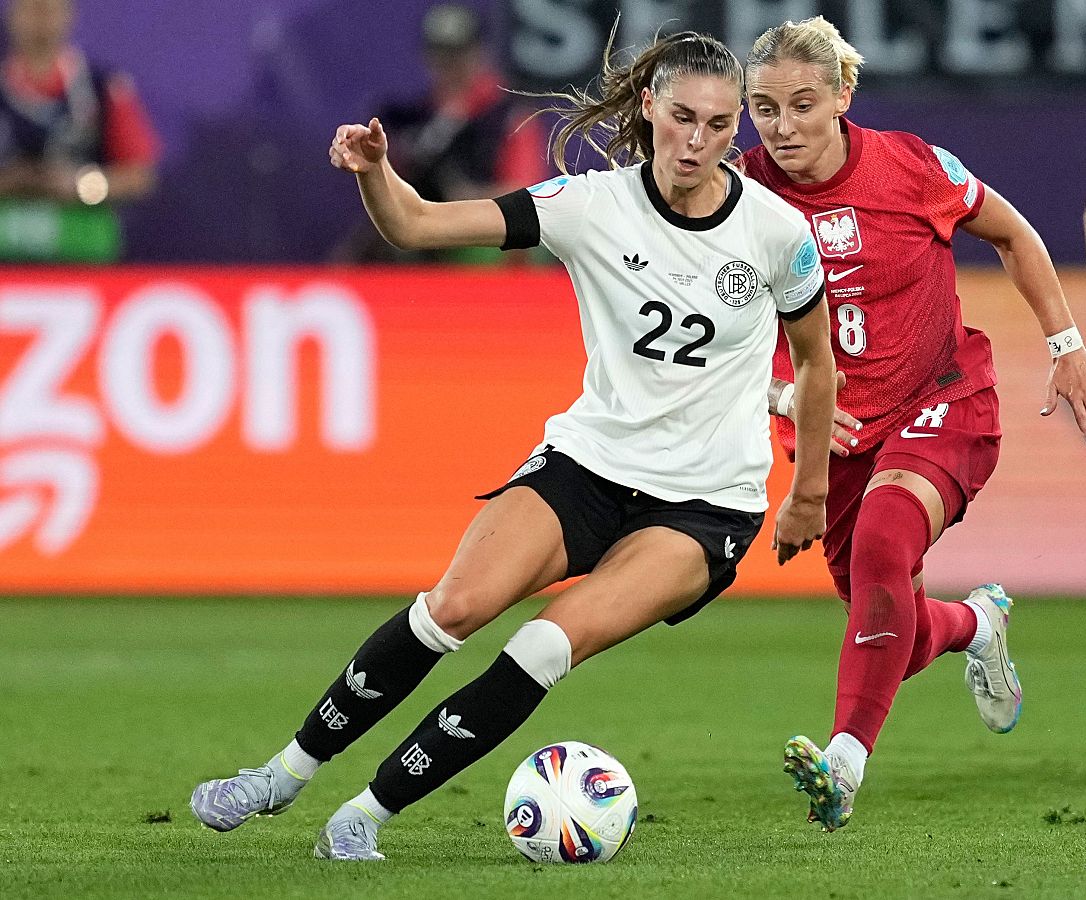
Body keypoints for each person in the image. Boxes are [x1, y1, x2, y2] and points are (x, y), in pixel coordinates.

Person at [189, 31, 837, 861]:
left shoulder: (777, 235)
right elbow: (418, 225)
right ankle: (281, 773)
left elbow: (817, 361)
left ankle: (364, 817)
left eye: (718, 126)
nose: (697, 142)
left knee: (544, 643)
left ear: (734, 129)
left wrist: (807, 491)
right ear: (650, 110)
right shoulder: (589, 205)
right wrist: (377, 172)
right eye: (682, 118)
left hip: (708, 504)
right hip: (590, 465)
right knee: (452, 607)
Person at [742, 17, 1086, 830]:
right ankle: (977, 623)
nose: (782, 128)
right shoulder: (741, 197)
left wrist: (1067, 345)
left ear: (843, 96)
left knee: (885, 543)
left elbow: (1014, 235)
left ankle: (843, 764)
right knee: (889, 621)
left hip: (943, 397)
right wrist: (786, 401)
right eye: (764, 108)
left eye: (803, 104)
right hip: (837, 436)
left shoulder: (910, 166)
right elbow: (710, 339)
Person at [338, 2, 550, 264]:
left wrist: (465, 197)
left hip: (476, 234)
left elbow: (526, 194)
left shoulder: (509, 116)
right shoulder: (410, 120)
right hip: (418, 237)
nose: (451, 66)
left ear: (480, 53)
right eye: (442, 55)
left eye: (460, 55)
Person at [0, 0, 159, 262]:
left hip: (80, 247)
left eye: (50, 9)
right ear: (12, 14)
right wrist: (12, 182)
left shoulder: (103, 87)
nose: (41, 19)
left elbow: (140, 175)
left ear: (68, 15)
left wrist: (82, 185)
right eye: (31, 8)